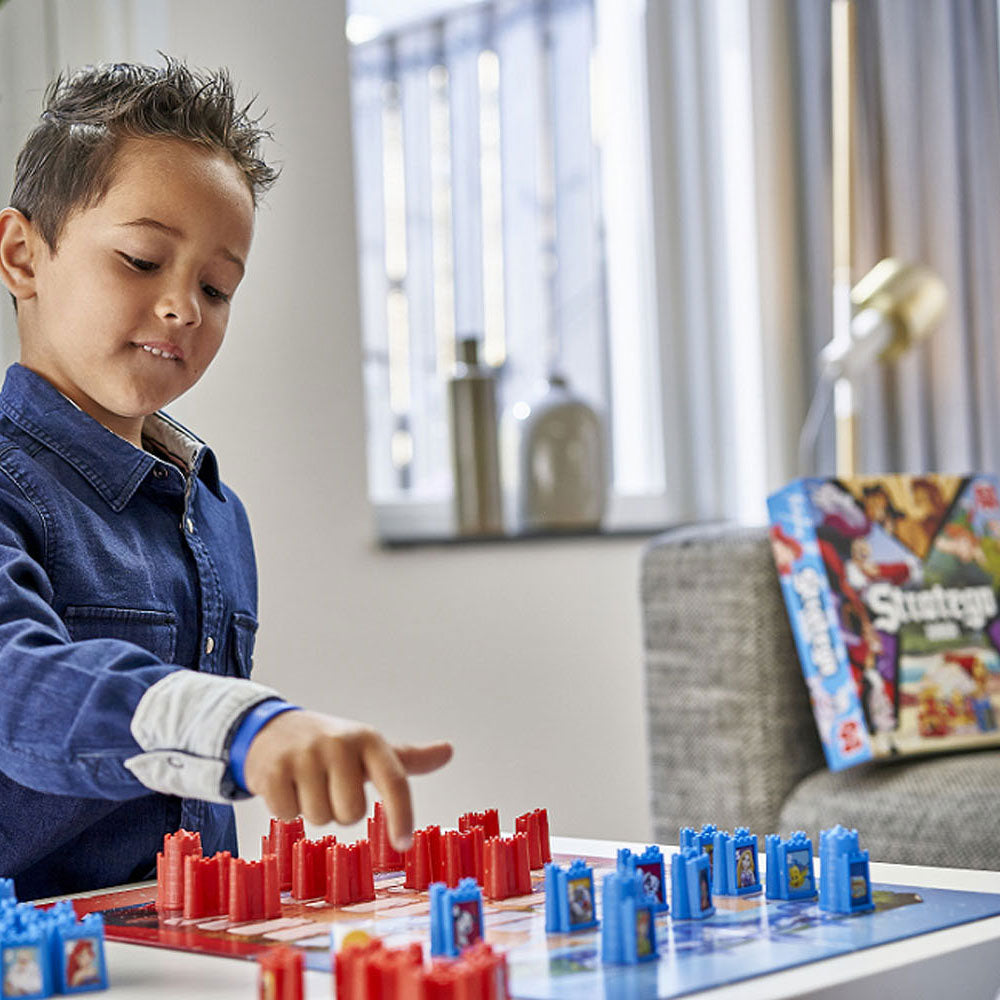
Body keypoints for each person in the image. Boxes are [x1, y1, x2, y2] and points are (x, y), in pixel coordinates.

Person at [0, 58, 452, 900]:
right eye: (141, 260)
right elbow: (18, 686)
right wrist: (243, 726)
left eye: (217, 286)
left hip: (187, 933)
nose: (184, 308)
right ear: (23, 256)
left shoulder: (214, 510)